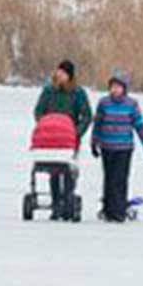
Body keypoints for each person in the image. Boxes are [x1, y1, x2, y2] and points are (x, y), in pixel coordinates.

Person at [91, 69, 143, 223]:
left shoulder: (131, 104)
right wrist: (94, 142)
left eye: (118, 86)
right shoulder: (103, 103)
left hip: (124, 148)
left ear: (124, 88)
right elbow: (97, 124)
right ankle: (108, 209)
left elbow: (139, 125)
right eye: (112, 86)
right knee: (109, 179)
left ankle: (119, 211)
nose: (115, 89)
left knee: (120, 179)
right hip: (107, 146)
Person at [33, 59, 92, 219]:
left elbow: (87, 115)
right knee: (54, 171)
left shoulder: (78, 93)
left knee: (68, 171)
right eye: (58, 71)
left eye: (63, 73)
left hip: (69, 139)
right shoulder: (48, 91)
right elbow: (38, 111)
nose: (59, 75)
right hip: (51, 138)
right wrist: (45, 126)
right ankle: (56, 204)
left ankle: (67, 201)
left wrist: (77, 132)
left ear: (69, 76)